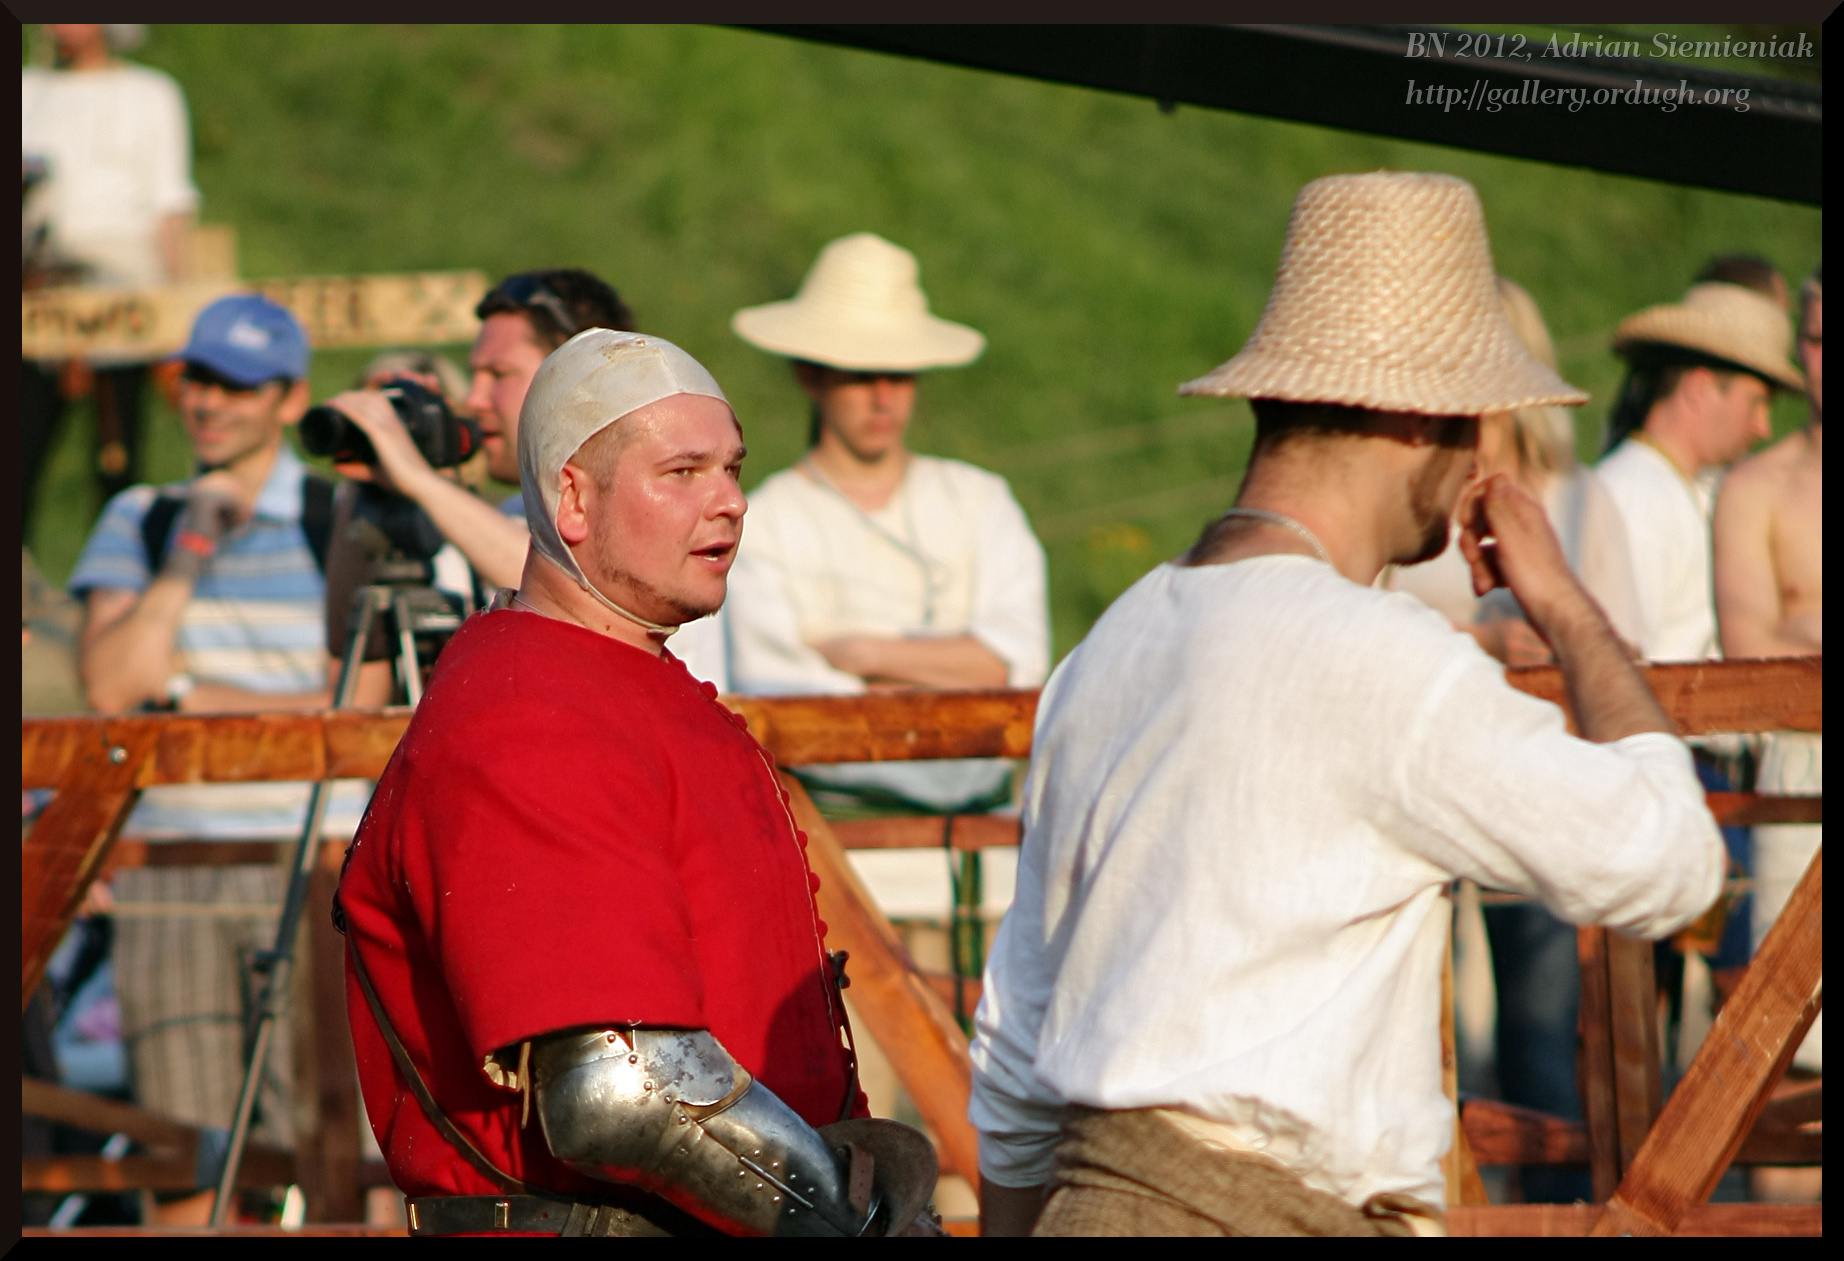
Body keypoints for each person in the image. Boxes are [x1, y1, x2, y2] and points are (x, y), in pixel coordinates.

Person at [970, 172, 1724, 1237]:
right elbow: (1669, 860)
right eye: (1475, 422)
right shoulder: (1384, 660)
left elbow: (1014, 1049)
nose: (1480, 457)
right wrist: (1567, 608)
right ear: (1420, 420)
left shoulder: (1109, 646)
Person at [337, 328, 938, 1236]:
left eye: (732, 468)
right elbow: (622, 1091)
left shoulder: (622, 686)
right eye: (683, 472)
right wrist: (845, 1225)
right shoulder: (528, 710)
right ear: (573, 497)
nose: (730, 501)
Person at [65, 293, 376, 1220]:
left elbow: (357, 702)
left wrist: (184, 696)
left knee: (347, 1151)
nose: (208, 402)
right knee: (188, 1152)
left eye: (238, 386)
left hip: (321, 855)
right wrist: (190, 550)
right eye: (196, 379)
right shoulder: (143, 516)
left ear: (290, 399)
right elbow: (112, 687)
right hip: (175, 862)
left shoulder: (340, 514)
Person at [727, 232, 1049, 812]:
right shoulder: (766, 522)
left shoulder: (978, 500)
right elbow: (782, 693)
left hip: (986, 832)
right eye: (861, 373)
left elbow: (1020, 661)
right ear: (810, 376)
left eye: (899, 375)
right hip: (835, 834)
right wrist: (956, 676)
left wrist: (864, 655)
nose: (884, 398)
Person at [314, 269, 730, 690]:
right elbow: (352, 671)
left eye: (498, 375)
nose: (474, 400)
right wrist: (376, 476)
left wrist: (420, 480)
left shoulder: (674, 518)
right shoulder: (502, 519)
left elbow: (567, 585)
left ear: (576, 377)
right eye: (474, 376)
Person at [1389, 278, 1643, 666]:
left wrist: (1561, 635)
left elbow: (1629, 653)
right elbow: (1359, 625)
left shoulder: (1580, 495)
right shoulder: (1412, 485)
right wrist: (1478, 641)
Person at [21, 22, 200, 539]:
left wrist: (179, 309)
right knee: (24, 443)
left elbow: (169, 206)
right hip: (40, 285)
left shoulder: (149, 93)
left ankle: (118, 568)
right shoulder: (27, 89)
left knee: (116, 452)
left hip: (122, 284)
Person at [1713, 265, 1822, 1076]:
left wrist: (1803, 626)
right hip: (1799, 765)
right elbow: (1748, 648)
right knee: (1790, 1040)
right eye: (1817, 339)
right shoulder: (1758, 487)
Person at [1597, 282, 1804, 663]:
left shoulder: (1673, 488)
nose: (1763, 427)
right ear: (1699, 388)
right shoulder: (1636, 498)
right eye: (1756, 403)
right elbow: (1616, 661)